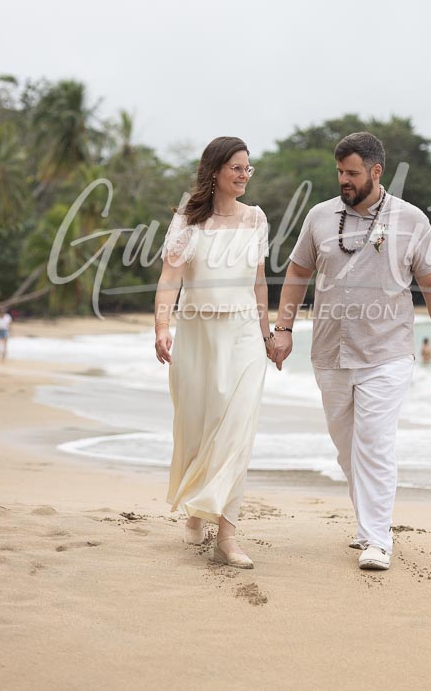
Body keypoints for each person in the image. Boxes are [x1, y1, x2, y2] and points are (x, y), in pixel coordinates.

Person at [272, 132, 431, 571]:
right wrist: (283, 329)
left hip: (386, 353)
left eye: (352, 173)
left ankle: (377, 539)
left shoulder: (411, 220)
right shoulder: (320, 217)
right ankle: (368, 525)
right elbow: (297, 272)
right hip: (330, 351)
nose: (344, 180)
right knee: (347, 449)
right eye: (339, 172)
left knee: (373, 444)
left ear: (376, 171)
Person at [154, 137, 273, 569]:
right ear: (216, 171)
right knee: (200, 426)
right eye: (236, 168)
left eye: (247, 168)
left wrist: (269, 334)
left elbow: (259, 282)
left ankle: (227, 536)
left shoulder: (256, 218)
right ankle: (196, 508)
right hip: (197, 334)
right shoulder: (188, 220)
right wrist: (162, 327)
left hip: (243, 334)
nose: (244, 175)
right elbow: (170, 279)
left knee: (237, 430)